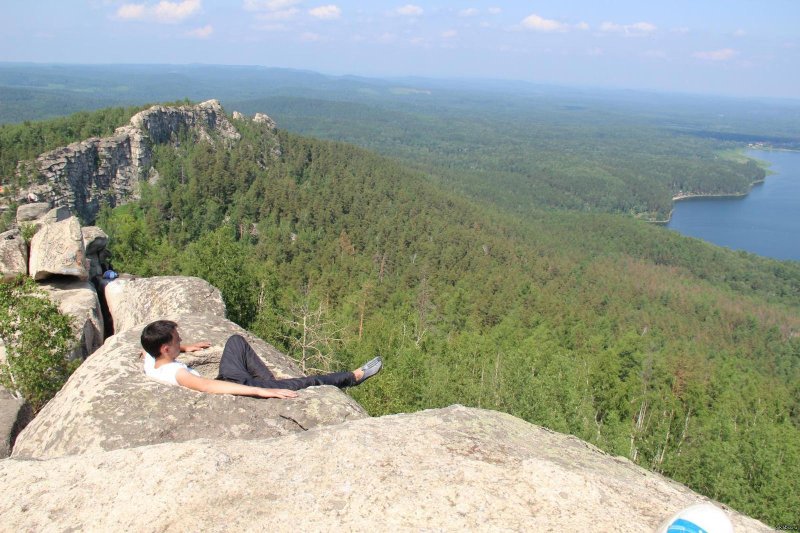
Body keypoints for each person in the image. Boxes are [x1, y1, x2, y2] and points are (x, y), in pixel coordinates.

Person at [140, 320, 382, 399]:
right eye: (176, 339)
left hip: (231, 377)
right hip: (236, 386)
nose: (180, 339)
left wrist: (184, 347)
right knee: (306, 382)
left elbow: (148, 350)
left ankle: (270, 381)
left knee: (236, 341)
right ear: (165, 348)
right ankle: (353, 377)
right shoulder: (177, 374)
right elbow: (207, 386)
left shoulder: (151, 360)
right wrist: (263, 392)